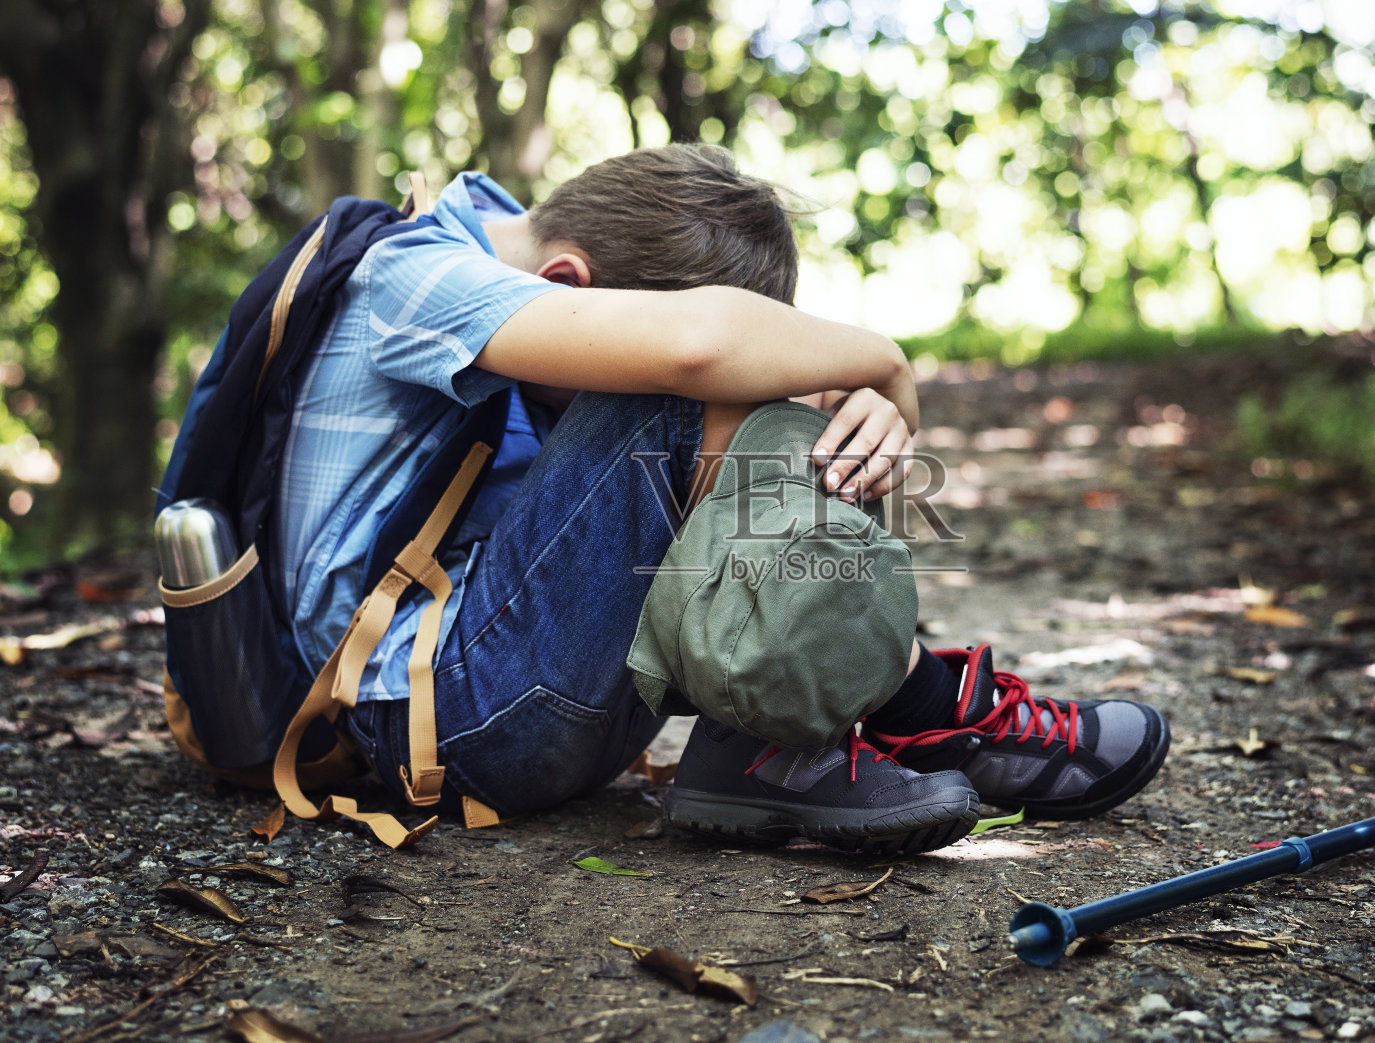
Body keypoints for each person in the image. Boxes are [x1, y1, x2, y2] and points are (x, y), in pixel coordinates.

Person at [276, 143, 1169, 855]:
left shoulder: (505, 247)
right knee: (691, 378)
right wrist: (884, 365)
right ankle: (924, 710)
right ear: (565, 287)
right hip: (445, 725)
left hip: (519, 696)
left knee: (782, 380)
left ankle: (770, 738)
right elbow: (700, 346)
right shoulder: (409, 274)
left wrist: (830, 391)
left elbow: (733, 349)